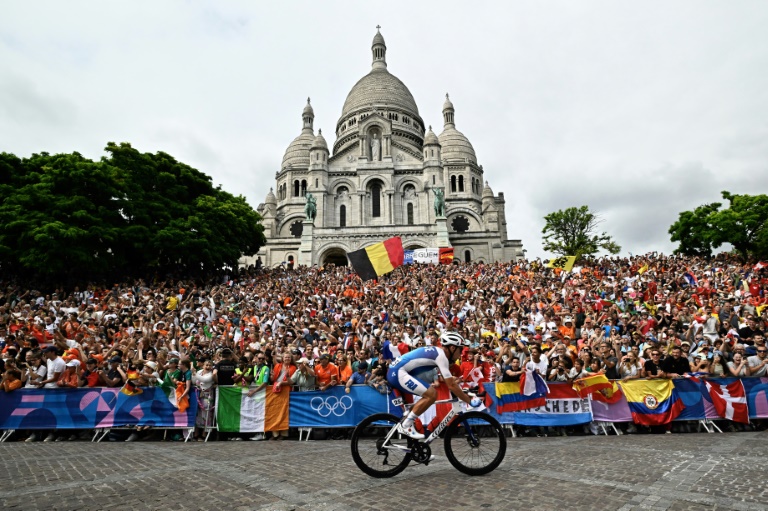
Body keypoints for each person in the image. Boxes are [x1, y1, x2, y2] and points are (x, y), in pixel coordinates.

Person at [386, 331, 482, 439]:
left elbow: (450, 382)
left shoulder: (438, 352)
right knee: (431, 394)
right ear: (452, 347)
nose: (461, 354)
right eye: (460, 350)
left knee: (414, 408)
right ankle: (406, 425)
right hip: (398, 372)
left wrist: (463, 392)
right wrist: (468, 400)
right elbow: (451, 385)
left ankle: (416, 450)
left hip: (398, 371)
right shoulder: (441, 356)